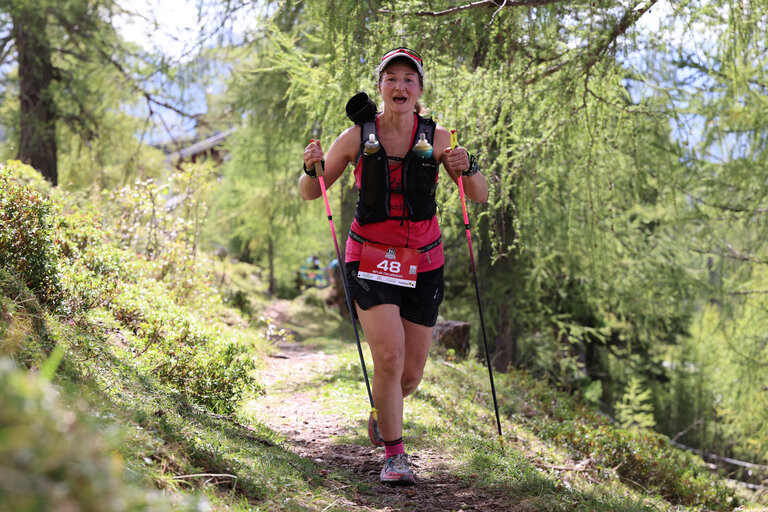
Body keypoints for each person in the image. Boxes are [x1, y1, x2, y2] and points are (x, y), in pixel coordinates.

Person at [299, 47, 488, 486]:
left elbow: (477, 193)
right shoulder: (355, 136)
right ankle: (394, 455)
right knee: (388, 355)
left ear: (419, 89)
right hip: (370, 257)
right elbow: (313, 191)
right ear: (381, 86)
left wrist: (469, 164)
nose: (400, 86)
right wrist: (310, 169)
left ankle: (383, 411)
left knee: (410, 375)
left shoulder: (441, 138)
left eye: (409, 79)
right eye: (392, 78)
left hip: (424, 262)